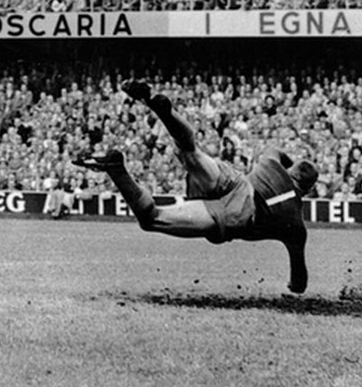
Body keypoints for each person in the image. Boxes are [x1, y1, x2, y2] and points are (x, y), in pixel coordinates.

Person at [73, 81, 317, 294]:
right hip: (237, 213)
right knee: (153, 219)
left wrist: (287, 163)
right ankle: (117, 169)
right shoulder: (295, 225)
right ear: (305, 191)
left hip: (235, 181)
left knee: (190, 151)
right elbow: (300, 283)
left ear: (290, 171)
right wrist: (293, 286)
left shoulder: (272, 162)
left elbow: (277, 151)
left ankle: (159, 108)